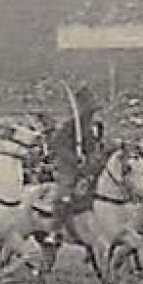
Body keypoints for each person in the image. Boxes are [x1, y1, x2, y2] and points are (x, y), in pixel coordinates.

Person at [52, 85, 105, 229]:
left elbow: (94, 148)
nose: (91, 115)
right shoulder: (69, 126)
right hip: (68, 168)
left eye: (92, 112)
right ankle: (55, 229)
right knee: (64, 195)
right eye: (89, 111)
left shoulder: (92, 128)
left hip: (88, 168)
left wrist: (95, 159)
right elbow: (58, 145)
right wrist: (74, 159)